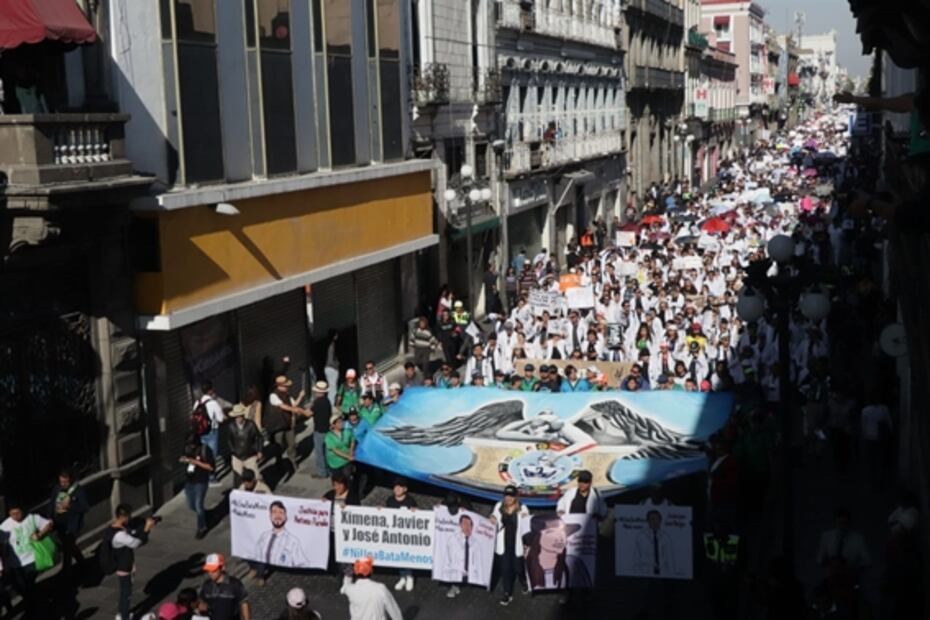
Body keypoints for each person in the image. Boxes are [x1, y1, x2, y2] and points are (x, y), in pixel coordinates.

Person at [104, 503, 157, 620]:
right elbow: (136, 543)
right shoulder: (119, 535)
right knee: (126, 594)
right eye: (129, 516)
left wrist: (143, 527)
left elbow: (133, 534)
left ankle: (122, 613)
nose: (130, 519)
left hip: (123, 563)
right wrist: (147, 530)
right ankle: (124, 616)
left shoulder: (113, 529)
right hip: (124, 566)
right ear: (124, 517)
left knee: (125, 591)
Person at [0, 502, 54, 617]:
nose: (16, 516)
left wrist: (39, 535)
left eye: (18, 513)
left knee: (29, 585)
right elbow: (2, 545)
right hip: (15, 563)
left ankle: (36, 609)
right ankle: (36, 604)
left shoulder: (32, 518)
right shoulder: (4, 526)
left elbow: (49, 524)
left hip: (31, 559)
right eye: (12, 514)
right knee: (21, 587)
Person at [522, 514, 592, 590]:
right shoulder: (528, 563)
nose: (560, 538)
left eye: (562, 533)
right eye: (551, 533)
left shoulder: (573, 563)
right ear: (538, 537)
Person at [490, 485, 530, 605]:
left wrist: (525, 518)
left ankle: (523, 581)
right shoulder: (498, 506)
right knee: (506, 569)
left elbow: (527, 524)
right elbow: (494, 517)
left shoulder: (522, 508)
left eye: (511, 496)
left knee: (518, 568)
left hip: (517, 544)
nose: (508, 498)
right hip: (504, 544)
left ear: (515, 497)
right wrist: (492, 518)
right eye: (506, 495)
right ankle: (507, 593)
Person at [47, 468, 88, 579]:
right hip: (59, 524)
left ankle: (66, 571)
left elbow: (84, 507)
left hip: (72, 524)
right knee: (68, 546)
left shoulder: (78, 490)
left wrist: (69, 506)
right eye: (61, 482)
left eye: (66, 482)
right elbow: (51, 504)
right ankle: (82, 563)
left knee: (67, 547)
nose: (63, 484)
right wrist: (50, 518)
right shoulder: (56, 489)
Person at [266, 375, 310, 478]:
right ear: (279, 386)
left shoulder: (287, 395)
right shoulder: (273, 395)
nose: (287, 387)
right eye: (285, 386)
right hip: (278, 425)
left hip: (288, 424)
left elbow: (293, 406)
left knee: (292, 444)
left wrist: (300, 396)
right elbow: (284, 407)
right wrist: (302, 411)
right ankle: (279, 462)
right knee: (279, 445)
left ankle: (292, 461)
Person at [253, 502, 311, 569]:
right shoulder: (263, 537)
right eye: (274, 512)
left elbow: (303, 564)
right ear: (270, 516)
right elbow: (255, 556)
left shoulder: (293, 542)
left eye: (281, 512)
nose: (277, 515)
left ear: (285, 517)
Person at [815, 508, 871, 577]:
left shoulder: (858, 539)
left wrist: (852, 568)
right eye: (840, 523)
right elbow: (819, 558)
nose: (842, 527)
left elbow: (867, 561)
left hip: (851, 576)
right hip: (831, 577)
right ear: (835, 522)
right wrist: (831, 565)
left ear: (849, 524)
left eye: (845, 523)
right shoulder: (826, 537)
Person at [385, 478, 417, 592]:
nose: (397, 489)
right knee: (398, 554)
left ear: (405, 489)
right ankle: (402, 577)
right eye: (395, 487)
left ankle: (409, 576)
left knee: (406, 554)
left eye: (400, 487)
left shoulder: (410, 501)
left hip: (407, 535)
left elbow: (417, 516)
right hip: (395, 534)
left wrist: (415, 511)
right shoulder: (390, 500)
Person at [181, 434, 215, 539]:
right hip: (189, 480)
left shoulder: (205, 449)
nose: (191, 447)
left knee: (198, 505)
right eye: (189, 445)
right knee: (191, 505)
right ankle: (204, 515)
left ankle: (202, 528)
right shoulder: (186, 448)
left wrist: (196, 462)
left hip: (201, 481)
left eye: (192, 445)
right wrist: (183, 460)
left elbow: (210, 467)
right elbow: (183, 457)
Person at [438, 513, 486, 587]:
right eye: (465, 524)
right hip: (455, 575)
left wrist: (481, 580)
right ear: (460, 525)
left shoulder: (476, 544)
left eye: (469, 524)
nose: (467, 527)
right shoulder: (452, 540)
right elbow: (447, 561)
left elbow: (479, 565)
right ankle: (454, 586)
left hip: (472, 577)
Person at [199, 553, 250, 620]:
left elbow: (244, 603)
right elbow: (202, 601)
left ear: (222, 568)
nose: (210, 573)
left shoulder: (234, 584)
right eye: (208, 570)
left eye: (213, 570)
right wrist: (201, 605)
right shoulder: (207, 585)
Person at [194, 381, 225, 484]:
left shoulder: (197, 403)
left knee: (203, 454)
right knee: (212, 455)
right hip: (212, 431)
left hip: (200, 432)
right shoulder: (213, 403)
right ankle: (211, 477)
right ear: (211, 390)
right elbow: (220, 419)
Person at [227, 404, 263, 488]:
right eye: (236, 417)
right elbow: (229, 441)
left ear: (243, 416)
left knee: (255, 476)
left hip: (250, 455)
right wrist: (233, 451)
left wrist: (259, 450)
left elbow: (258, 438)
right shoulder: (231, 426)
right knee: (237, 477)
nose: (238, 418)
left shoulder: (250, 424)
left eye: (239, 416)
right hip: (236, 456)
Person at [633, 510, 676, 576]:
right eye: (652, 519)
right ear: (648, 521)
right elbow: (636, 559)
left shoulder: (665, 537)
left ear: (660, 521)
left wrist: (672, 574)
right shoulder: (641, 537)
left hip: (663, 573)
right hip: (645, 573)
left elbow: (670, 559)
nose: (655, 521)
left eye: (657, 519)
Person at [309, 381, 332, 478]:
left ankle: (321, 473)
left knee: (319, 453)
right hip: (327, 429)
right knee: (327, 452)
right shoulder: (327, 401)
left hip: (319, 430)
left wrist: (299, 410)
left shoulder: (317, 402)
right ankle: (329, 470)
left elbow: (309, 413)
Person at [325, 414, 355, 480]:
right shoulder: (329, 436)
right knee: (339, 481)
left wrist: (351, 450)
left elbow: (352, 440)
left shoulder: (347, 431)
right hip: (335, 463)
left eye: (342, 421)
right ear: (333, 425)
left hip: (346, 462)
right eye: (339, 422)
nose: (341, 423)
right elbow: (335, 450)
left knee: (349, 478)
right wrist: (348, 456)